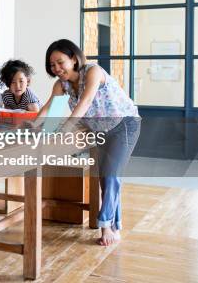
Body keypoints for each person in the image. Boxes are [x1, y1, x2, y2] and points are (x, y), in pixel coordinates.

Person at [38, 39, 141, 246]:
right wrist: (34, 128)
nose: (56, 69)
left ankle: (105, 226)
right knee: (106, 178)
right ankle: (115, 224)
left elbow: (85, 102)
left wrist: (65, 129)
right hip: (100, 129)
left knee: (111, 175)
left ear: (74, 59)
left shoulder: (93, 72)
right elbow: (51, 109)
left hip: (124, 125)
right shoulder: (61, 85)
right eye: (52, 65)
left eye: (60, 62)